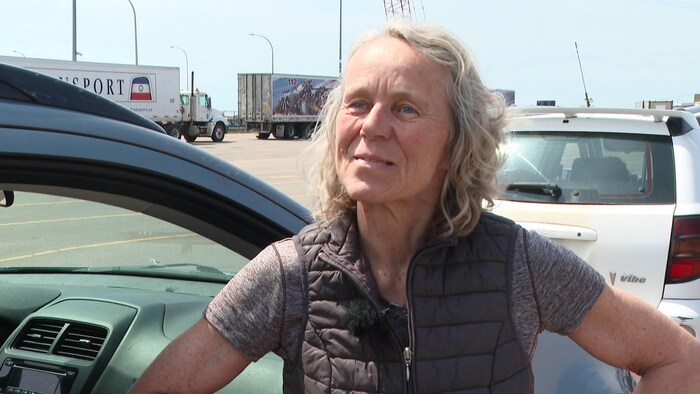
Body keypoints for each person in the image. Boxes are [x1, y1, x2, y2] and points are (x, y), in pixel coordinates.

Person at [130, 22, 700, 393]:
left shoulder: (518, 265)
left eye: (405, 109)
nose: (372, 126)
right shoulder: (288, 276)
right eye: (358, 103)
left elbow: (678, 359)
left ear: (457, 142)